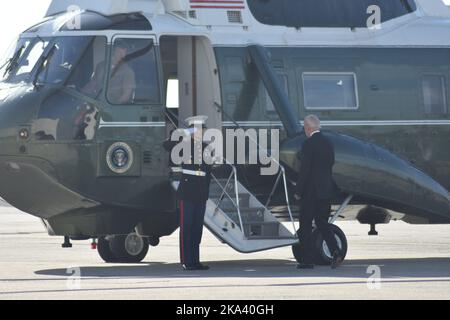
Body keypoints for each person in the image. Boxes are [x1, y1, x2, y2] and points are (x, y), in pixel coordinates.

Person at [163, 116, 212, 271]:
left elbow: (208, 173)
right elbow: (166, 145)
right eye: (198, 130)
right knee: (187, 228)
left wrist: (206, 193)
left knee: (197, 229)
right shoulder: (183, 146)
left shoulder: (206, 148)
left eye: (202, 130)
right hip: (188, 193)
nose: (201, 133)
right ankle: (186, 261)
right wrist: (183, 133)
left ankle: (196, 260)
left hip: (200, 194)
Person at [294, 115, 342, 270]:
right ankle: (336, 250)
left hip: (310, 192)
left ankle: (307, 261)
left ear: (308, 128)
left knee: (305, 226)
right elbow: (331, 163)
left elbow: (305, 170)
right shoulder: (329, 143)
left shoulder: (308, 144)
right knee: (322, 223)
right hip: (326, 190)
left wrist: (298, 191)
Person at [82, 39, 136, 104]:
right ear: (113, 50)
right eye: (119, 51)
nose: (122, 54)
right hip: (97, 104)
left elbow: (127, 94)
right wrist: (82, 94)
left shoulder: (128, 72)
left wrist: (114, 107)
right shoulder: (101, 66)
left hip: (112, 108)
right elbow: (93, 84)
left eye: (124, 51)